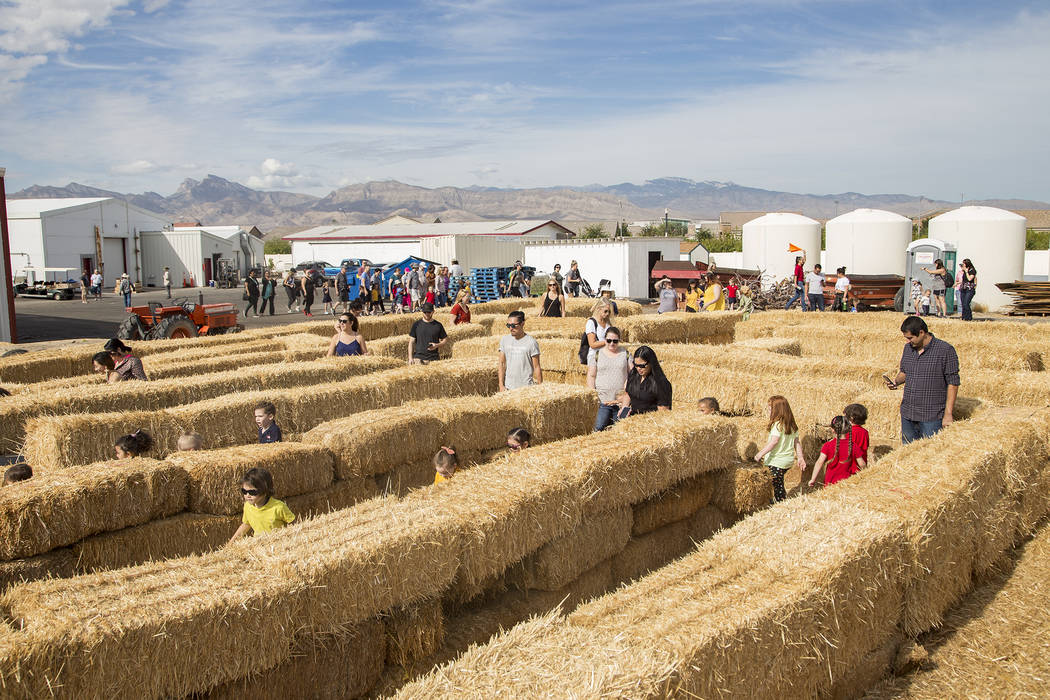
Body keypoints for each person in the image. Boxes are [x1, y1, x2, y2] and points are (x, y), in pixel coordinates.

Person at [886, 316, 959, 445]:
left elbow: (953, 383)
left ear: (921, 332)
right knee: (907, 452)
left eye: (910, 338)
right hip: (908, 412)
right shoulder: (908, 349)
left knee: (930, 454)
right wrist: (896, 382)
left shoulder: (945, 350)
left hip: (931, 416)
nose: (909, 341)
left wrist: (948, 414)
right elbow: (904, 372)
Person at [753, 395, 805, 502]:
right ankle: (776, 500)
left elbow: (774, 442)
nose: (768, 411)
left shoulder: (777, 425)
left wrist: (760, 454)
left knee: (777, 485)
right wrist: (800, 457)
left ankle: (780, 502)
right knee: (778, 482)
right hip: (787, 461)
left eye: (769, 408)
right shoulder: (791, 425)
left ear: (777, 411)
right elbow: (797, 443)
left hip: (776, 462)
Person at [227, 468, 295, 544]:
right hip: (259, 545)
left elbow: (294, 525)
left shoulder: (279, 507)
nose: (248, 495)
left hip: (277, 545)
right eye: (244, 491)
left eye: (252, 492)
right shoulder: (247, 506)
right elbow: (246, 524)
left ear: (265, 491)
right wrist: (230, 544)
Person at [587, 325, 630, 431]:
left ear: (619, 341)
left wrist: (626, 395)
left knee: (619, 430)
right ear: (605, 340)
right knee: (598, 428)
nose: (612, 343)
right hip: (602, 402)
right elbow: (591, 376)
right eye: (609, 340)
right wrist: (593, 395)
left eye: (615, 341)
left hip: (620, 402)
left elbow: (633, 375)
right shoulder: (597, 355)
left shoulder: (626, 354)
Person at [808, 415, 867, 488]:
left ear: (832, 430)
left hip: (830, 482)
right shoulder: (853, 445)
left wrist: (813, 479)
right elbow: (862, 464)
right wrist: (865, 475)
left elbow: (819, 462)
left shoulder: (827, 445)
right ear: (848, 429)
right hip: (846, 482)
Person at [499, 310, 542, 391]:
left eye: (513, 325)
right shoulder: (504, 340)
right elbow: (501, 364)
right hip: (508, 388)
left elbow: (537, 367)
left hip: (526, 389)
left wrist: (540, 388)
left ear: (522, 324)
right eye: (508, 325)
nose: (511, 328)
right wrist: (501, 385)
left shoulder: (531, 342)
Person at [623, 346, 672, 414]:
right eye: (636, 365)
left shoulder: (661, 383)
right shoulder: (633, 374)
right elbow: (628, 394)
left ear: (651, 363)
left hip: (649, 421)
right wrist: (624, 409)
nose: (638, 368)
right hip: (631, 419)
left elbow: (663, 413)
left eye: (642, 366)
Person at [584, 300, 613, 365]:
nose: (607, 313)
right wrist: (608, 342)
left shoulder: (608, 323)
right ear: (599, 309)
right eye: (605, 311)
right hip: (595, 358)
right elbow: (592, 344)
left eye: (609, 311)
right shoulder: (591, 323)